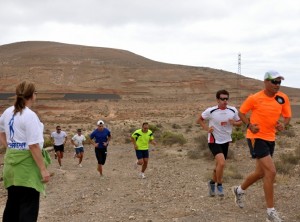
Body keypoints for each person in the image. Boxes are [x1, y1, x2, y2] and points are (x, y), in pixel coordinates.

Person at [232, 71, 291, 222]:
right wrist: (250, 125)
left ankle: (239, 190)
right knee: (271, 172)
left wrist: (282, 125)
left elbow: (287, 117)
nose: (277, 85)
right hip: (256, 137)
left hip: (271, 138)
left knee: (260, 173)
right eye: (274, 82)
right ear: (265, 82)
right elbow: (241, 112)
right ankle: (270, 212)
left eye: (279, 82)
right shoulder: (255, 98)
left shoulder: (282, 98)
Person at [0, 81, 51, 222]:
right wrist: (43, 169)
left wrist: (10, 147)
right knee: (28, 207)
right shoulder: (30, 116)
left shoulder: (7, 112)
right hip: (27, 167)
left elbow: (1, 132)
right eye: (36, 93)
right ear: (32, 95)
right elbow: (34, 145)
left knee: (12, 205)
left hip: (11, 165)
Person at [196, 89, 242, 197]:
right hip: (214, 140)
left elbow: (240, 122)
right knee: (221, 163)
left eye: (226, 99)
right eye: (222, 99)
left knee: (218, 166)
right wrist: (207, 129)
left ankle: (212, 183)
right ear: (217, 99)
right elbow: (199, 120)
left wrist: (234, 123)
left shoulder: (233, 110)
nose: (225, 101)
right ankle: (219, 185)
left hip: (225, 140)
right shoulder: (211, 111)